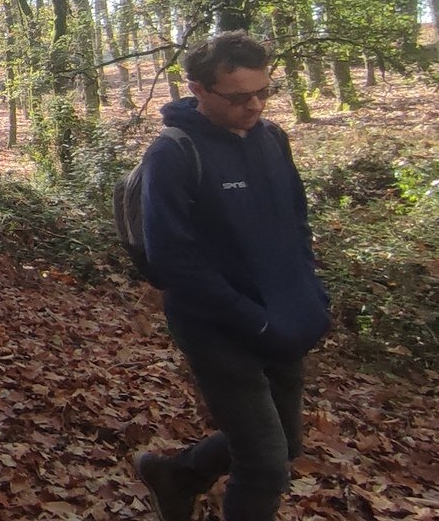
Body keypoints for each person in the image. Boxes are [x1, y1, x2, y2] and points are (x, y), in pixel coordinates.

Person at [132, 31, 330, 521]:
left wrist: (311, 292)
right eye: (239, 97)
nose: (255, 105)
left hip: (282, 314)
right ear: (198, 89)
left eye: (264, 92)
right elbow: (172, 260)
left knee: (285, 443)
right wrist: (249, 318)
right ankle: (178, 478)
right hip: (216, 327)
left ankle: (175, 476)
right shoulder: (174, 154)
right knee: (264, 466)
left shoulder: (272, 139)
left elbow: (296, 222)